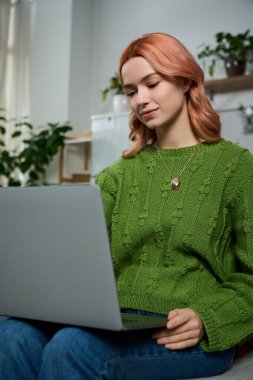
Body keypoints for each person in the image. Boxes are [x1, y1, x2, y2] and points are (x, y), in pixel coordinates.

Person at [0, 32, 253, 380]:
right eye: (131, 91)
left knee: (71, 347)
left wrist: (208, 317)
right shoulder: (116, 176)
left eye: (152, 83)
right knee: (12, 335)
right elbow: (73, 259)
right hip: (119, 321)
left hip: (187, 332)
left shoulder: (236, 167)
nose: (141, 100)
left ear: (184, 80)